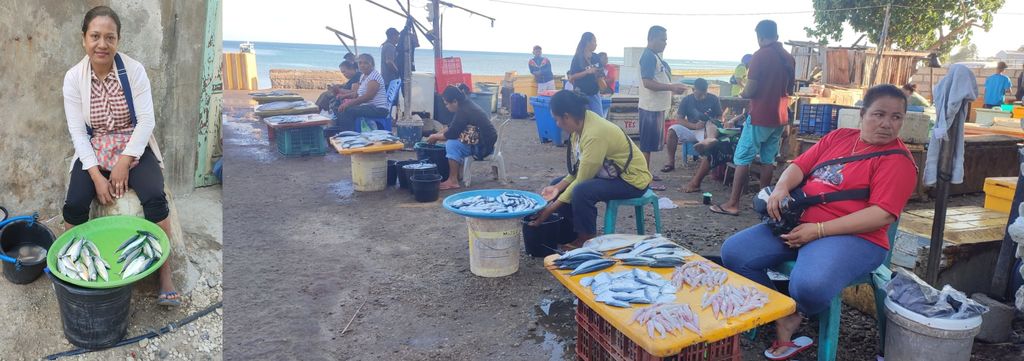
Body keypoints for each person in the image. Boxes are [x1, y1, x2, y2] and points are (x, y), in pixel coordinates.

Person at [721, 84, 917, 360]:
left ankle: (797, 311)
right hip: (800, 222)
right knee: (734, 252)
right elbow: (798, 166)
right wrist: (780, 189)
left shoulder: (898, 161)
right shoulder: (839, 137)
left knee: (809, 285)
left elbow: (881, 214)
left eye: (896, 117)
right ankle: (782, 311)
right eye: (879, 114)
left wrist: (819, 231)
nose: (887, 124)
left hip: (855, 238)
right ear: (862, 114)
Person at [62, 6, 179, 306]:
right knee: (74, 204)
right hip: (95, 145)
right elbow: (77, 131)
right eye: (95, 36)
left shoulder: (134, 71)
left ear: (118, 40)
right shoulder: (74, 78)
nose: (102, 44)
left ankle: (164, 274)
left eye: (109, 37)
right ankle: (71, 272)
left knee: (154, 196)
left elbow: (146, 122)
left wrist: (123, 163)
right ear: (84, 39)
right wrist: (97, 178)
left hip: (133, 144)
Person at [529, 90, 652, 249]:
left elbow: (582, 179)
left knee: (582, 191)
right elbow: (579, 169)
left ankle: (585, 238)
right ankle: (569, 234)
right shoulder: (580, 125)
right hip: (609, 174)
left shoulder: (595, 134)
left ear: (566, 116)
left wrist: (549, 210)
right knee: (557, 184)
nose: (557, 124)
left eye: (557, 120)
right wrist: (557, 188)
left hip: (631, 180)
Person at [711, 20, 794, 216]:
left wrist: (742, 93)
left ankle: (733, 203)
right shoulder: (789, 58)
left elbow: (751, 89)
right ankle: (764, 203)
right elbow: (789, 90)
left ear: (760, 37)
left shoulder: (760, 56)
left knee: (742, 158)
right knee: (768, 160)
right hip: (780, 117)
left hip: (760, 116)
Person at [639, 25, 688, 191]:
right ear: (651, 38)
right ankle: (645, 179)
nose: (665, 43)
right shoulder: (648, 57)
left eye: (666, 40)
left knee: (652, 144)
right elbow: (647, 82)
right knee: (646, 144)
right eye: (662, 39)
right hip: (649, 106)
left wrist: (672, 87)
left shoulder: (655, 57)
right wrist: (671, 87)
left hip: (657, 107)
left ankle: (647, 173)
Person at [425, 86, 498, 190]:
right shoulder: (465, 104)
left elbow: (451, 134)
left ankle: (453, 180)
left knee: (452, 144)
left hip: (483, 146)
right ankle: (458, 174)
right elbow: (452, 127)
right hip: (485, 140)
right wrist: (436, 135)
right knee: (455, 142)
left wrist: (435, 137)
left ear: (454, 101)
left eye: (446, 103)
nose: (446, 107)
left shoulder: (464, 110)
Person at [662, 78, 724, 171]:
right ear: (693, 89)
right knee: (672, 130)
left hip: (707, 130)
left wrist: (713, 121)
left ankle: (707, 163)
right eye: (699, 94)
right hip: (691, 129)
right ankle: (670, 162)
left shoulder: (713, 99)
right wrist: (694, 126)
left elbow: (720, 116)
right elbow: (679, 119)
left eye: (704, 93)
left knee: (711, 135)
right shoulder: (687, 100)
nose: (702, 97)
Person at [334, 54, 390, 133]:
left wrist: (348, 104)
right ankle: (343, 132)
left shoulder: (374, 77)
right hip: (368, 107)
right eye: (360, 63)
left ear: (372, 64)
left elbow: (367, 97)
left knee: (347, 110)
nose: (362, 65)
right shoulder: (363, 76)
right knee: (338, 107)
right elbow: (357, 93)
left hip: (378, 109)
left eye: (366, 63)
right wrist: (343, 96)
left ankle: (350, 135)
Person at [567, 32, 606, 116]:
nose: (596, 44)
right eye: (594, 41)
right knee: (583, 120)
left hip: (595, 94)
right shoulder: (577, 58)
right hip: (581, 95)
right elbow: (571, 78)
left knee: (599, 119)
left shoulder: (596, 57)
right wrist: (586, 72)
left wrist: (600, 77)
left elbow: (601, 74)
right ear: (588, 42)